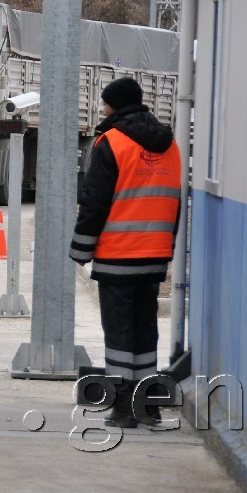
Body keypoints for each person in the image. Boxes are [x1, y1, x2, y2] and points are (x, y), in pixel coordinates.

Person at [70, 77, 181, 428]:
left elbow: (94, 203)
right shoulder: (170, 145)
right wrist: (167, 248)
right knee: (146, 334)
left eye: (105, 103)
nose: (101, 109)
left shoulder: (111, 143)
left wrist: (81, 249)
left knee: (119, 337)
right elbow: (174, 202)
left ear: (115, 106)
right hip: (154, 258)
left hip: (118, 256)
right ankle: (148, 408)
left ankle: (121, 409)